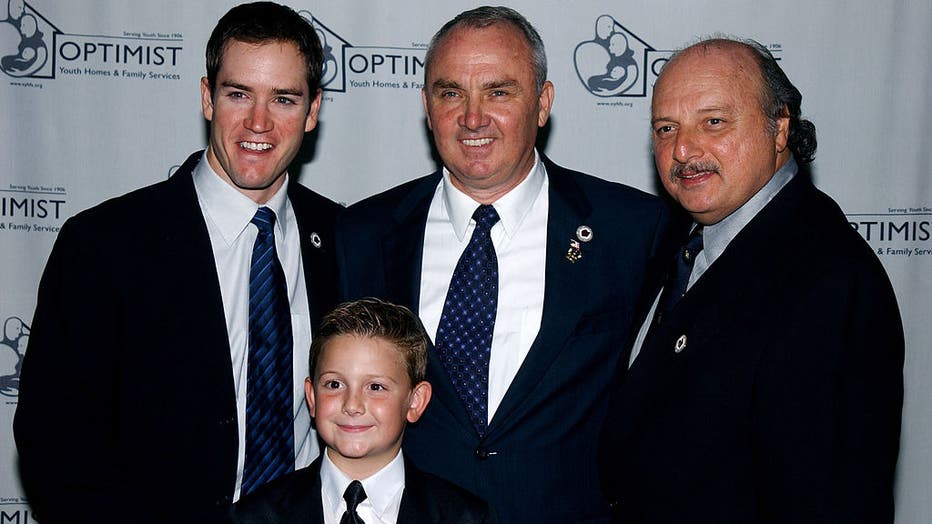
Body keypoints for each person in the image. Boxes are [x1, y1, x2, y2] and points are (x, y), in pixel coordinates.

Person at [336, 6, 670, 522]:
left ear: (543, 102)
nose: (473, 118)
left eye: (498, 92)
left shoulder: (632, 230)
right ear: (426, 105)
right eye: (451, 93)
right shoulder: (362, 234)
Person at [13, 2, 342, 522]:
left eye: (283, 99)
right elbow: (55, 441)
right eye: (238, 94)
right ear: (208, 97)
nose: (258, 122)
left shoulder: (344, 239)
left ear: (312, 110)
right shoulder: (104, 245)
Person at [598, 37, 904, 523]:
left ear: (779, 127)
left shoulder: (831, 282)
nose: (683, 149)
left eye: (713, 122)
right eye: (666, 128)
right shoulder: (676, 239)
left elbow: (829, 501)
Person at [232, 298, 495, 523]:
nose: (352, 405)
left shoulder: (464, 518)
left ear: (415, 401)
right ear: (312, 397)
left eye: (376, 387)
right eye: (334, 384)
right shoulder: (254, 516)